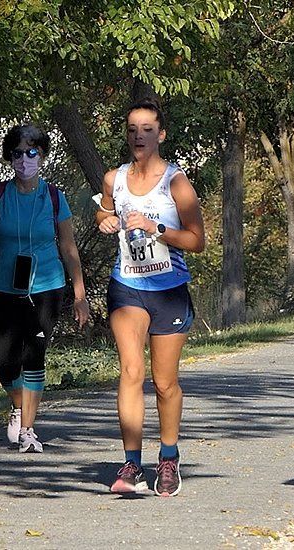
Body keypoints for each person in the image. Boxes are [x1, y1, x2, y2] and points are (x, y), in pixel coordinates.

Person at [96, 99, 205, 497]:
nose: (138, 136)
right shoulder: (115, 178)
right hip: (127, 285)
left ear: (160, 135)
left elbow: (197, 241)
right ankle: (131, 463)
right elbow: (104, 212)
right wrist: (106, 220)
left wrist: (157, 227)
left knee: (164, 383)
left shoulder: (176, 183)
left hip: (169, 290)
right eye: (131, 129)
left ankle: (169, 457)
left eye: (146, 129)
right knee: (130, 371)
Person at [0, 125, 89, 453]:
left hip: (47, 286)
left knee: (34, 355)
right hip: (5, 287)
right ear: (10, 158)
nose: (24, 160)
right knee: (7, 362)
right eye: (18, 153)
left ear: (42, 156)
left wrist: (79, 295)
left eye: (31, 152)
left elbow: (68, 247)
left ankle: (28, 430)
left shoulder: (53, 197)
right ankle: (18, 406)